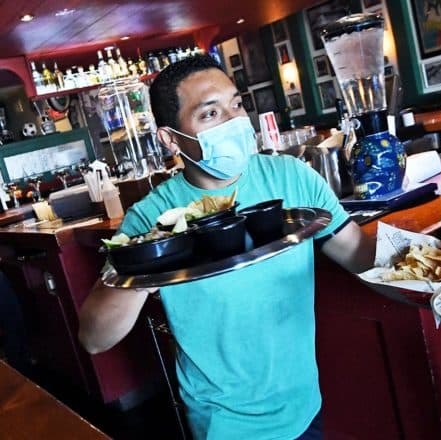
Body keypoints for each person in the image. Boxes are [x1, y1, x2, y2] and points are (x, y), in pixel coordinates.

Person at [78, 55, 375, 439]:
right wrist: (150, 261)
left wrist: (440, 291)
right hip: (225, 424)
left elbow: (361, 255)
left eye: (236, 105)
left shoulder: (292, 177)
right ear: (170, 138)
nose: (234, 122)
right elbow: (94, 338)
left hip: (305, 403)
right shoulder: (151, 217)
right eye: (210, 114)